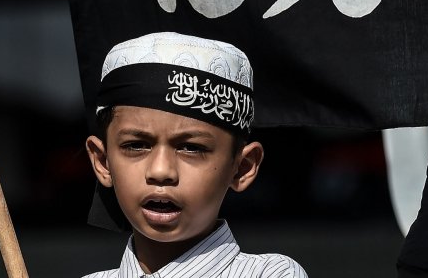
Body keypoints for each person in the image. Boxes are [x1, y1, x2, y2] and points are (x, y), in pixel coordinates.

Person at [81, 32, 308, 278]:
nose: (161, 171)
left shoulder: (270, 274)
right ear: (103, 162)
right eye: (136, 145)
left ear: (242, 167)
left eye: (191, 148)